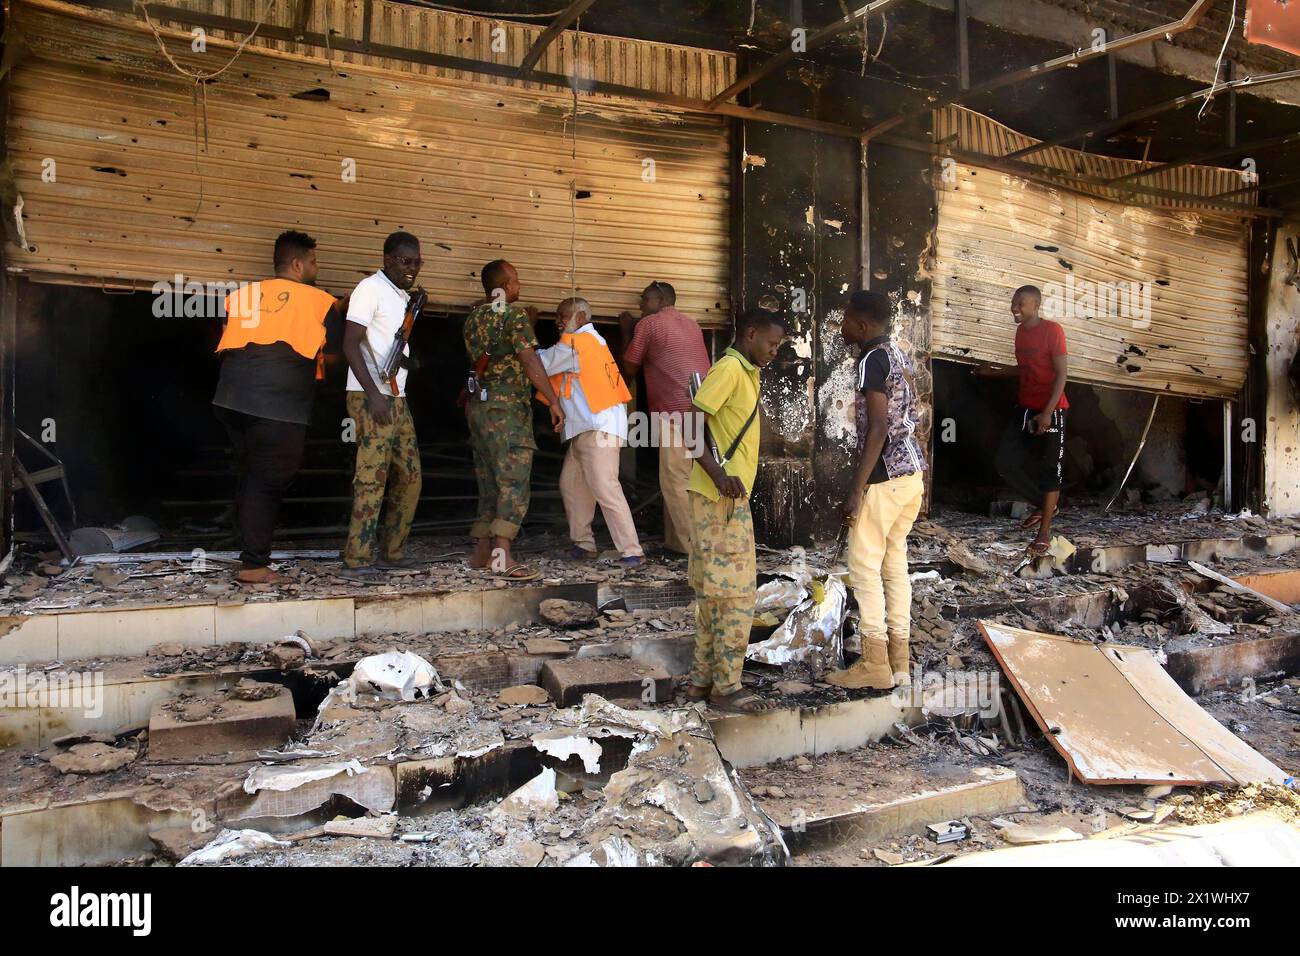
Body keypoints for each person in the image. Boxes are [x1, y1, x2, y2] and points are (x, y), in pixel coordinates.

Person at [213, 230, 340, 585]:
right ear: (298, 264)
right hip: (276, 406)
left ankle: (246, 550)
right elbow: (334, 355)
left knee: (250, 475)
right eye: (314, 261)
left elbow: (226, 340)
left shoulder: (243, 295)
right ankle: (253, 565)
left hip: (230, 400)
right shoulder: (319, 302)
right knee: (267, 481)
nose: (317, 268)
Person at [684, 309, 786, 713]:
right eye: (772, 343)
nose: (775, 351)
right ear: (751, 334)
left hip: (719, 497)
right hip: (721, 498)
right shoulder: (729, 369)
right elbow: (691, 426)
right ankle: (726, 688)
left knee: (713, 596)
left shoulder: (745, 372)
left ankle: (701, 682)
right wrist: (719, 474)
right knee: (735, 597)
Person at [825, 291, 928, 691]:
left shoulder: (871, 358)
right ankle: (899, 662)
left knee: (864, 567)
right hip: (912, 475)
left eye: (847, 320)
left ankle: (873, 664)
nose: (842, 326)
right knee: (894, 565)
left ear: (863, 325)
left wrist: (856, 488)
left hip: (885, 477)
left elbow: (878, 428)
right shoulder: (899, 353)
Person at [463, 259, 565, 580]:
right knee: (513, 479)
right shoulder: (515, 316)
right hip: (507, 412)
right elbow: (529, 359)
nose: (519, 286)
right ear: (506, 286)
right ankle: (501, 556)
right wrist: (553, 399)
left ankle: (481, 551)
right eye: (516, 280)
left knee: (488, 478)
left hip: (479, 408)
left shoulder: (472, 319)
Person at [340, 232, 425, 578]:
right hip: (370, 397)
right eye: (406, 261)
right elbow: (350, 344)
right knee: (372, 477)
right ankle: (357, 558)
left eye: (417, 263)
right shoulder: (369, 289)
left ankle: (393, 550)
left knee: (410, 476)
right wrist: (373, 394)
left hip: (396, 397)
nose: (412, 268)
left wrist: (409, 363)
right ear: (388, 258)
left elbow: (386, 347)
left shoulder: (400, 296)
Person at [537, 297, 644, 567]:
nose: (558, 322)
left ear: (581, 318)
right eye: (557, 316)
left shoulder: (576, 343)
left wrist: (525, 337)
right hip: (587, 428)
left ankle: (632, 551)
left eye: (563, 316)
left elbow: (540, 364)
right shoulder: (591, 342)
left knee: (605, 489)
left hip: (598, 429)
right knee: (572, 485)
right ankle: (584, 545)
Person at [973, 285, 1069, 556]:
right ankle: (1045, 504)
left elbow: (1061, 375)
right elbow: (1024, 370)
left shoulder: (1053, 331)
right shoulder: (1021, 332)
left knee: (1050, 471)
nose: (1015, 308)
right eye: (1014, 303)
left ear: (1036, 305)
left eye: (1021, 304)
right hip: (1026, 406)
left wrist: (1048, 413)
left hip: (1052, 409)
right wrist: (993, 372)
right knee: (1004, 462)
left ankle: (1044, 534)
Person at [619, 281, 711, 554]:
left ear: (660, 300)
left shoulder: (648, 325)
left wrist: (626, 330)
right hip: (700, 407)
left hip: (674, 411)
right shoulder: (692, 323)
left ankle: (693, 549)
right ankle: (677, 542)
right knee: (687, 477)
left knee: (675, 480)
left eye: (644, 298)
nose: (640, 303)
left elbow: (629, 367)